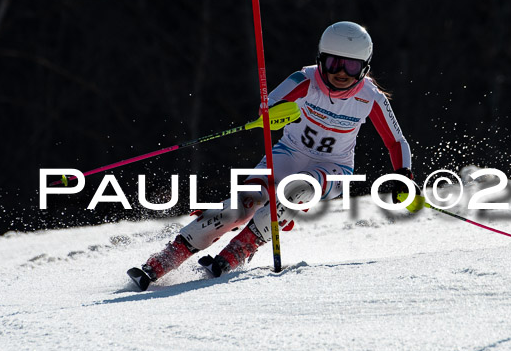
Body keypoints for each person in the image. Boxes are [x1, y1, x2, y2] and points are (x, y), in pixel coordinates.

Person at [127, 21, 416, 291]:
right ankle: (164, 260)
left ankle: (240, 248)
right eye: (333, 63)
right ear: (321, 59)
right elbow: (270, 106)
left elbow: (396, 141)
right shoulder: (305, 79)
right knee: (244, 202)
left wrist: (403, 174)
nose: (341, 72)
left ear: (364, 68)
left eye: (351, 66)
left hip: (334, 169)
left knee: (297, 190)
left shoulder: (371, 97)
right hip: (288, 154)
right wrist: (271, 114)